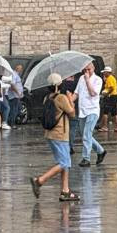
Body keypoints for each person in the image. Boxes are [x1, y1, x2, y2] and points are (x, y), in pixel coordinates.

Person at [31, 73, 78, 202]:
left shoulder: (47, 98)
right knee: (64, 163)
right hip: (60, 135)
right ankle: (40, 180)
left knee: (65, 163)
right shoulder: (61, 98)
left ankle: (65, 191)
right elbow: (72, 113)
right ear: (59, 85)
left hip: (50, 134)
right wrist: (70, 100)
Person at [74, 61, 107, 167]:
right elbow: (76, 93)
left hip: (92, 110)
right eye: (85, 70)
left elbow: (93, 93)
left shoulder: (98, 80)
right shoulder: (80, 79)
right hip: (82, 110)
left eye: (89, 69)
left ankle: (86, 158)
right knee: (85, 135)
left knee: (87, 134)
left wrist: (88, 80)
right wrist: (69, 101)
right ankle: (101, 151)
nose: (87, 72)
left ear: (93, 69)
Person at [99, 66, 117, 132]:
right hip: (114, 96)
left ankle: (105, 127)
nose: (103, 74)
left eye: (104, 72)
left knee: (105, 112)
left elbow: (111, 88)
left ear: (107, 72)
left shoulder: (110, 78)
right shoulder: (111, 78)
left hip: (110, 97)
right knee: (114, 113)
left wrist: (106, 93)